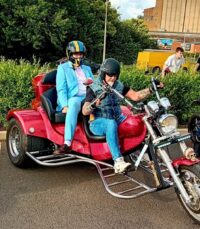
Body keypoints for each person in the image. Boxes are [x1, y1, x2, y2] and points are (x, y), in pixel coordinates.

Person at [82, 58, 163, 174]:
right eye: (110, 75)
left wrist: (151, 89)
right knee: (110, 123)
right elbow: (84, 111)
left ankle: (149, 156)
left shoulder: (118, 85)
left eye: (115, 75)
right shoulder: (94, 87)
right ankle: (118, 162)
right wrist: (94, 104)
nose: (113, 78)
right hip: (98, 122)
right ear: (103, 73)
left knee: (142, 120)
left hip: (118, 118)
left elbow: (135, 96)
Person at [54, 40, 94, 155]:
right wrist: (64, 105)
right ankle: (67, 143)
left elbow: (95, 84)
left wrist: (91, 82)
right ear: (70, 55)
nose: (78, 56)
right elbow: (61, 89)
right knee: (73, 104)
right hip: (74, 97)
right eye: (76, 54)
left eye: (80, 54)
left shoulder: (87, 68)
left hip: (88, 96)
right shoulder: (63, 68)